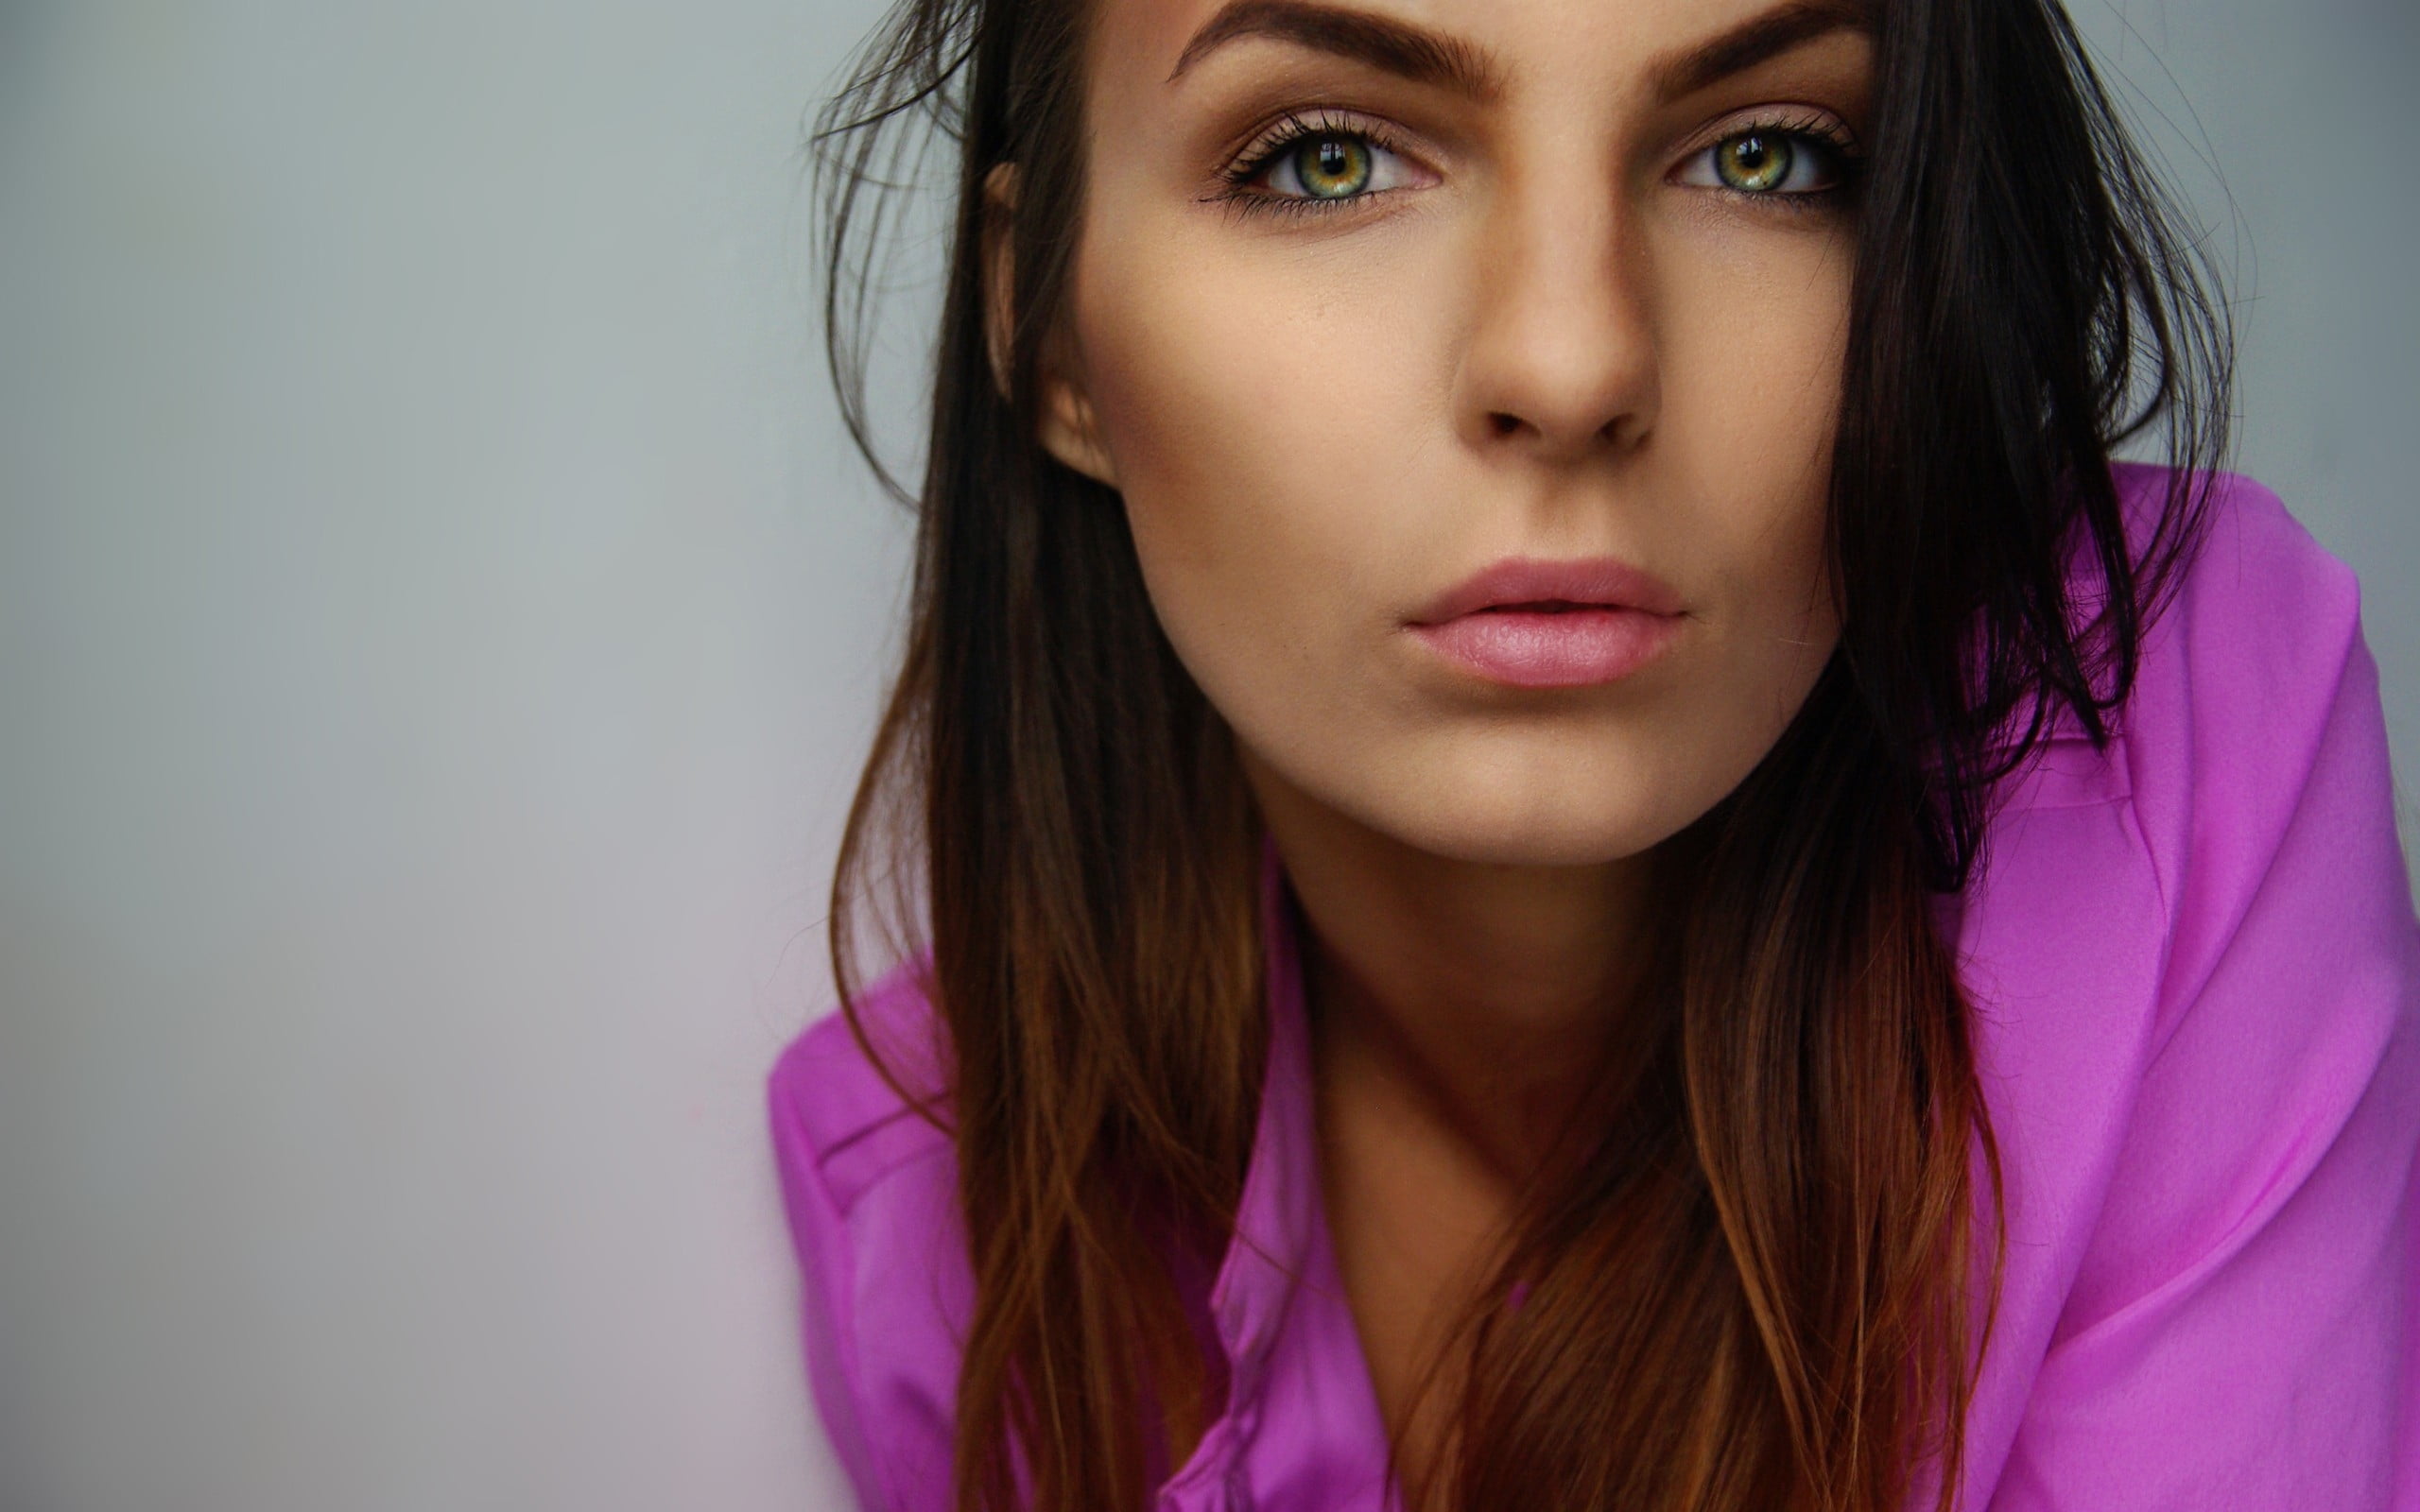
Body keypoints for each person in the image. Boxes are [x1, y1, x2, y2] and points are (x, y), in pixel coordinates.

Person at [767, 0, 2420, 1505]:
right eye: (1329, 159)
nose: (1573, 364)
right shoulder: (940, 1219)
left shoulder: (2169, 735)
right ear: (1046, 334)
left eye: (1764, 156)